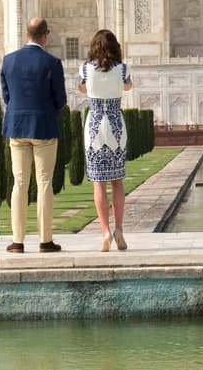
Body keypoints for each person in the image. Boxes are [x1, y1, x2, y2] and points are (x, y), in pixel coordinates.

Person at [0, 17, 67, 253]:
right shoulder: (52, 63)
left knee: (19, 183)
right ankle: (45, 240)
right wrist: (47, 114)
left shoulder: (9, 61)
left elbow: (7, 96)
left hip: (17, 128)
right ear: (44, 35)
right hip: (44, 128)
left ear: (27, 33)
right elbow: (61, 100)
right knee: (44, 183)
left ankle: (17, 241)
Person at [78, 28, 133, 251]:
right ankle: (119, 229)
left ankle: (105, 232)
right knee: (117, 181)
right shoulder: (123, 70)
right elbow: (128, 86)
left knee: (98, 182)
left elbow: (82, 89)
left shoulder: (84, 69)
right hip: (116, 128)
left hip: (94, 129)